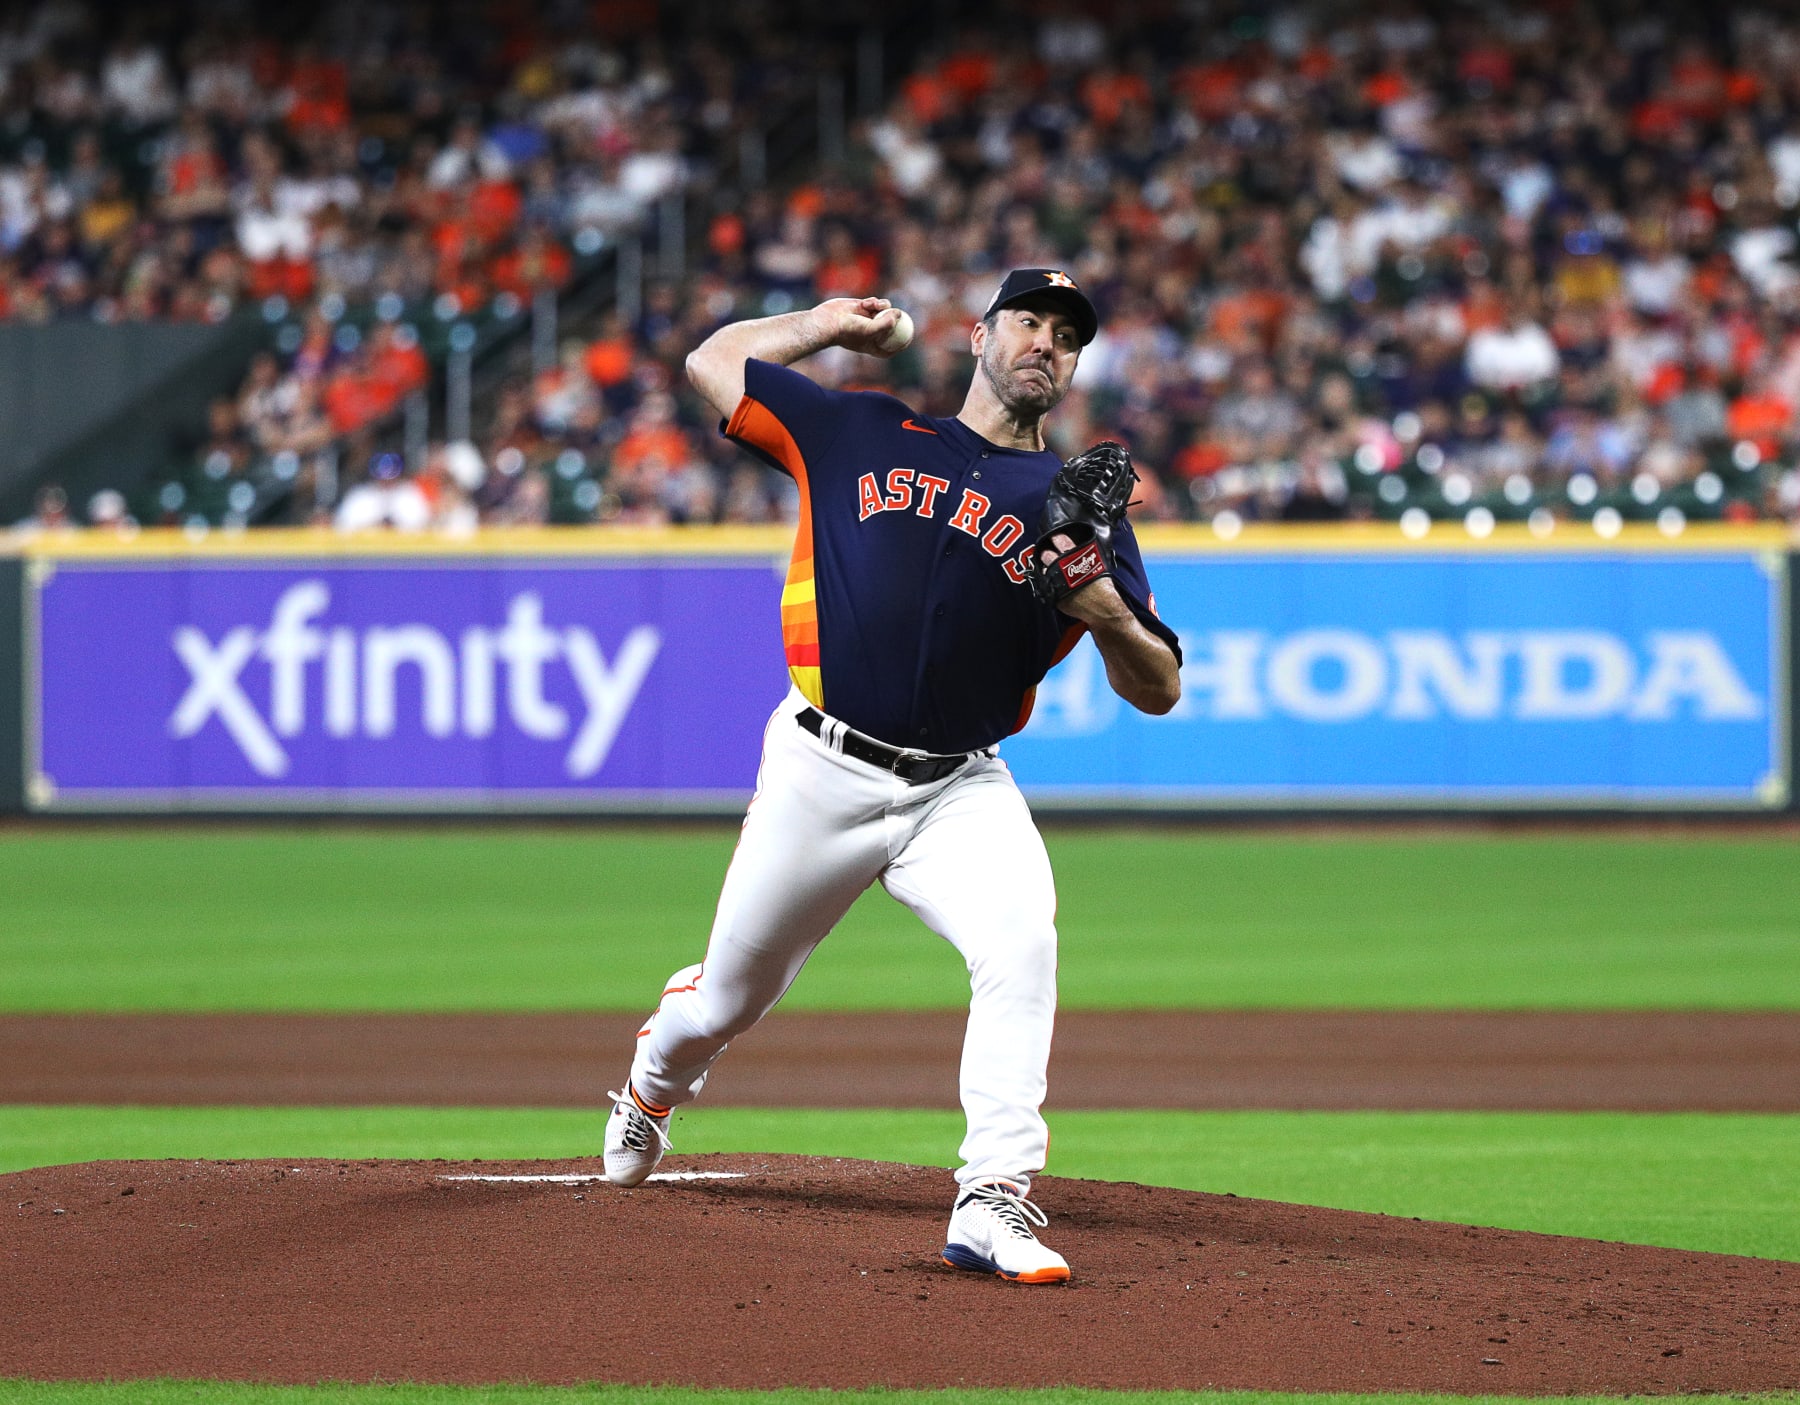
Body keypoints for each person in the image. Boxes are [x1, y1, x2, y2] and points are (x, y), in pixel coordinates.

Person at [602, 269, 1183, 1284]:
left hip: (959, 787)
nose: (1047, 343)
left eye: (1067, 335)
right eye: (1030, 323)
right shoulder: (862, 432)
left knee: (1021, 941)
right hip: (818, 767)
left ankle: (992, 1198)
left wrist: (1105, 608)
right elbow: (710, 362)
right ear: (979, 336)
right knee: (727, 999)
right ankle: (653, 1081)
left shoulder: (1076, 516)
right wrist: (824, 325)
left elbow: (1161, 687)